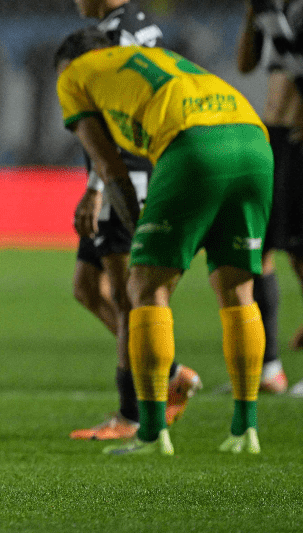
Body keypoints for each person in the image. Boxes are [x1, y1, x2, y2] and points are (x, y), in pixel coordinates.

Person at [56, 27, 271, 455]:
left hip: (194, 144)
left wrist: (141, 235)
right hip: (253, 138)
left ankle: (153, 433)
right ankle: (245, 429)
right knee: (237, 290)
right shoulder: (147, 57)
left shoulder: (73, 76)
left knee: (145, 288)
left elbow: (109, 168)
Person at [64, 0, 201, 440]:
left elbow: (115, 122)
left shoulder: (115, 39)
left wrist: (97, 187)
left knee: (126, 298)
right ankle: (170, 372)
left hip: (124, 177)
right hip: (125, 172)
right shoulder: (141, 27)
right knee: (87, 288)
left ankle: (132, 413)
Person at [237, 0, 303, 396]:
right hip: (274, 138)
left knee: (300, 254)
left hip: (299, 139)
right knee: (260, 249)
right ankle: (270, 368)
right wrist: (253, 17)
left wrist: (271, 17)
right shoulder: (273, 11)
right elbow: (246, 64)